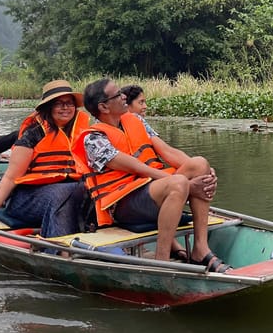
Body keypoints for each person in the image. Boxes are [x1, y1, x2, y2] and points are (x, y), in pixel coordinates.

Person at [73, 78, 229, 272]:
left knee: (199, 164)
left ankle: (200, 248)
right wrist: (182, 184)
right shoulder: (93, 138)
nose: (124, 97)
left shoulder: (135, 120)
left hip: (151, 188)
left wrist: (206, 173)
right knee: (178, 183)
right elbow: (137, 168)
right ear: (104, 107)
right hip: (123, 205)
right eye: (118, 95)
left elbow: (167, 151)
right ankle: (161, 261)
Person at [0, 80, 91, 239]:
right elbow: (10, 177)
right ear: (48, 107)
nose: (65, 108)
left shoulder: (84, 132)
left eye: (69, 103)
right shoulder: (33, 134)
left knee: (86, 188)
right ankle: (60, 248)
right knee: (63, 192)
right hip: (26, 199)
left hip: (68, 191)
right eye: (59, 104)